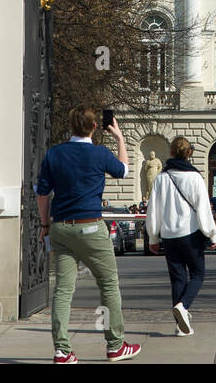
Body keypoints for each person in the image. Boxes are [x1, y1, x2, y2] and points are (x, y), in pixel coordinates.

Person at [36, 108, 141, 364]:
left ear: (71, 126)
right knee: (108, 284)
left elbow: (42, 193)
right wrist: (120, 138)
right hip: (91, 226)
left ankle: (62, 350)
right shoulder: (99, 153)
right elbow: (124, 171)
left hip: (61, 226)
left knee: (63, 289)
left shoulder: (54, 154)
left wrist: (45, 225)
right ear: (95, 127)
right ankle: (115, 345)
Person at [145, 137, 216, 336]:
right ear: (189, 153)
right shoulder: (195, 178)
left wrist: (153, 237)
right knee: (198, 273)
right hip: (191, 234)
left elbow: (154, 210)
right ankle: (184, 307)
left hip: (169, 235)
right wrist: (212, 234)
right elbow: (204, 209)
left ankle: (180, 326)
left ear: (170, 153)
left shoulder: (161, 178)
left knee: (177, 279)